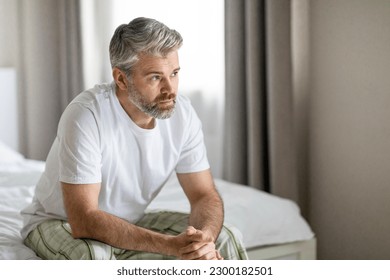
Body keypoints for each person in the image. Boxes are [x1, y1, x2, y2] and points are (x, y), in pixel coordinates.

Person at [21, 17, 247, 260]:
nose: (170, 89)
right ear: (121, 79)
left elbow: (203, 194)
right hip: (59, 222)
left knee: (225, 237)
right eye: (155, 77)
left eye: (174, 73)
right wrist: (172, 246)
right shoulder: (86, 115)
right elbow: (84, 219)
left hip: (130, 221)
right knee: (92, 255)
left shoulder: (183, 113)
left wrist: (204, 240)